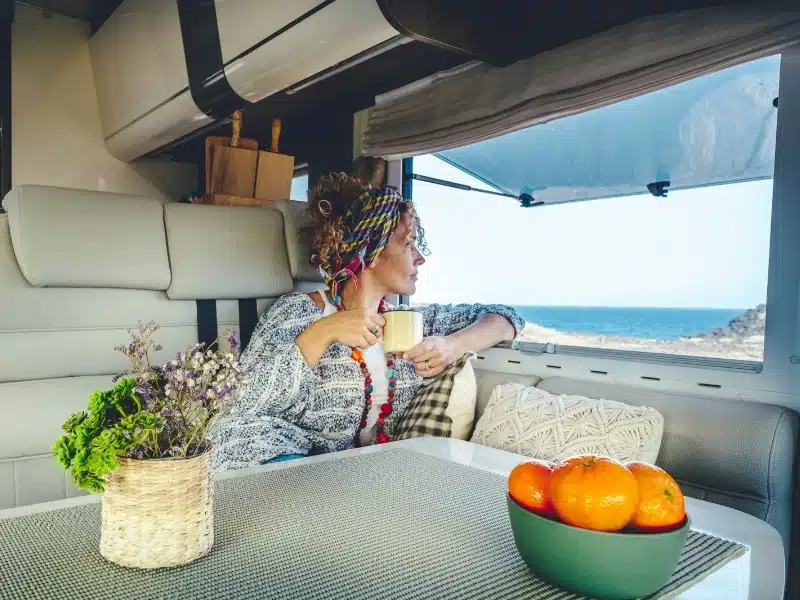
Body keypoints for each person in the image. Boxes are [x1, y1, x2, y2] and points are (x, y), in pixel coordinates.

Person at [210, 172, 525, 470]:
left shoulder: (413, 322)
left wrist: (453, 345)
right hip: (298, 462)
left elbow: (506, 318)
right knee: (227, 435)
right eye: (408, 244)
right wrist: (321, 334)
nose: (420, 258)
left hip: (371, 474)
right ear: (370, 250)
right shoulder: (298, 312)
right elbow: (238, 404)